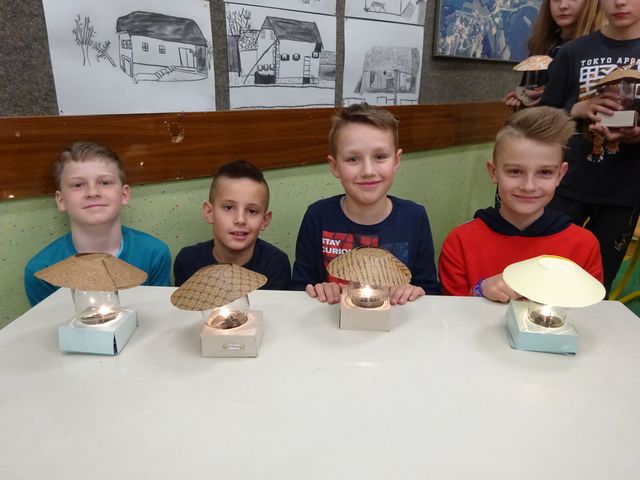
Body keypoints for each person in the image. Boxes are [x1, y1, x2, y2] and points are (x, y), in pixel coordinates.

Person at [439, 107, 603, 301]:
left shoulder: (583, 245)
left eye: (545, 172)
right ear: (494, 172)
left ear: (560, 175)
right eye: (515, 171)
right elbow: (450, 314)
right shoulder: (460, 241)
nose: (529, 186)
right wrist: (478, 292)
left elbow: (590, 312)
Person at [291, 103, 440, 305]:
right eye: (353, 159)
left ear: (396, 161)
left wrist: (414, 291)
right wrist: (318, 289)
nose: (368, 171)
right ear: (335, 166)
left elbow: (430, 290)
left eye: (380, 157)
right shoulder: (317, 216)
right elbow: (299, 289)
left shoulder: (415, 217)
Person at [541, 0, 640, 293]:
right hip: (567, 183)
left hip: (624, 192)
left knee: (597, 284)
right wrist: (577, 109)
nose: (619, 2)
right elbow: (543, 116)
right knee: (543, 270)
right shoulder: (573, 52)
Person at [24, 142, 171, 306]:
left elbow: (159, 314)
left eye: (105, 182)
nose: (93, 192)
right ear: (61, 200)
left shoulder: (153, 254)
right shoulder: (41, 271)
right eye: (78, 185)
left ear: (124, 195)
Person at [173, 160, 290, 289]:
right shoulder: (188, 261)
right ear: (210, 212)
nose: (240, 220)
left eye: (252, 211)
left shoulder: (276, 264)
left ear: (264, 220)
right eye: (228, 208)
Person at [503, 0, 605, 109]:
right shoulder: (542, 47)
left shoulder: (601, 48)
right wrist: (522, 102)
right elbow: (529, 92)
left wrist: (553, 97)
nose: (563, 6)